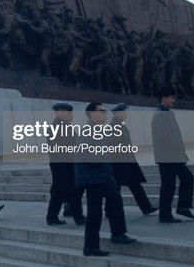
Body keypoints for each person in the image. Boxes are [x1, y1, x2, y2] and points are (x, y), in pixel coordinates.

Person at [75, 102, 136, 256]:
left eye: (104, 111)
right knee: (112, 201)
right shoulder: (89, 129)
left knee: (98, 209)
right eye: (101, 111)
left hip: (97, 175)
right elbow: (85, 152)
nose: (105, 113)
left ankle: (93, 245)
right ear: (92, 114)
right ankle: (115, 235)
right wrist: (103, 160)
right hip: (96, 176)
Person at [152, 86, 194, 223]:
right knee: (168, 185)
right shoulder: (161, 114)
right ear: (164, 98)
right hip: (168, 156)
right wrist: (178, 148)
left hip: (171, 155)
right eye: (171, 98)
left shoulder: (164, 112)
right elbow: (164, 136)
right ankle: (165, 215)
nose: (173, 100)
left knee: (187, 178)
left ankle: (182, 207)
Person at [109, 104, 157, 215]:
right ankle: (146, 207)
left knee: (120, 187)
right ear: (118, 113)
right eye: (124, 111)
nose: (126, 114)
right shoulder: (115, 126)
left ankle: (109, 210)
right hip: (122, 163)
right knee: (133, 185)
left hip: (121, 163)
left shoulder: (118, 125)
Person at [46, 103, 86, 226]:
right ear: (58, 112)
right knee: (72, 190)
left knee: (59, 191)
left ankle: (52, 217)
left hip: (61, 164)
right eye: (64, 111)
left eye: (68, 112)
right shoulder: (59, 127)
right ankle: (78, 217)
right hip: (64, 164)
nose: (68, 114)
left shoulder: (63, 126)